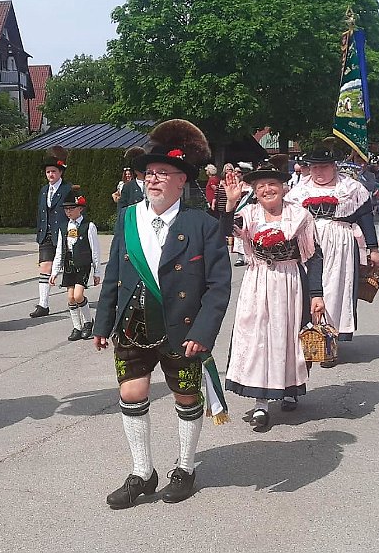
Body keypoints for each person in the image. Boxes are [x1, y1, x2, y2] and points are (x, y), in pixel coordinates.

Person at [93, 119, 231, 508]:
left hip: (182, 327)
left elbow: (219, 285)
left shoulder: (202, 225)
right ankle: (142, 473)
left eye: (163, 173)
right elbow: (114, 273)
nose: (153, 179)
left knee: (185, 396)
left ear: (181, 181)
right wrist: (102, 322)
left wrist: (203, 332)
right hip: (133, 323)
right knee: (131, 391)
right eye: (149, 173)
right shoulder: (127, 217)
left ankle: (185, 468)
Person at [221, 161, 325, 429]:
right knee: (258, 338)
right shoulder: (248, 214)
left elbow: (314, 256)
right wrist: (230, 204)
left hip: (290, 282)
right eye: (261, 186)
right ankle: (261, 404)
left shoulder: (300, 216)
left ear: (283, 188)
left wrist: (316, 294)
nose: (267, 189)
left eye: (272, 184)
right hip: (257, 281)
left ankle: (289, 388)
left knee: (289, 336)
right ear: (254, 191)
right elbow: (221, 233)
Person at [284, 142, 379, 359]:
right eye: (315, 167)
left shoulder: (351, 189)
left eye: (324, 167)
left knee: (335, 291)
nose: (319, 172)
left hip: (341, 246)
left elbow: (365, 219)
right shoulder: (298, 192)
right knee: (309, 290)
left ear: (334, 166)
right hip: (308, 245)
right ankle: (309, 338)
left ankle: (329, 343)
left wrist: (373, 249)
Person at [49, 186, 101, 341]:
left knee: (78, 295)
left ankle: (88, 322)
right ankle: (77, 327)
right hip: (69, 264)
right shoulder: (64, 227)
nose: (68, 212)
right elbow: (60, 249)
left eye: (72, 208)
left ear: (80, 208)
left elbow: (95, 250)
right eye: (66, 209)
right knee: (71, 298)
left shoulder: (89, 226)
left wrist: (97, 272)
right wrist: (55, 271)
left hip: (83, 264)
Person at [31, 146, 72, 318]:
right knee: (45, 266)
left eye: (54, 171)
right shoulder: (43, 190)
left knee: (69, 267)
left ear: (60, 172)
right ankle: (43, 304)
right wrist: (40, 232)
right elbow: (41, 212)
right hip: (46, 234)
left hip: (64, 233)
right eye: (48, 172)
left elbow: (75, 211)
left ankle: (74, 299)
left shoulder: (68, 189)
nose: (50, 175)